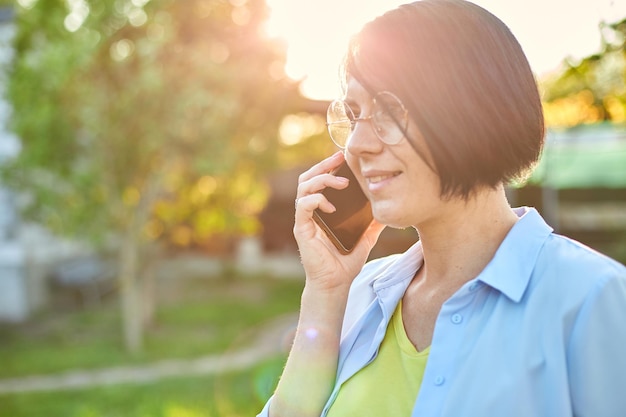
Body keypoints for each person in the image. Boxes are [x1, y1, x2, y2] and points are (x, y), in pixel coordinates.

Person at [257, 1, 626, 416]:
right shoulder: (361, 295)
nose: (358, 144)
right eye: (355, 114)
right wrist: (325, 291)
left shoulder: (592, 299)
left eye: (390, 111)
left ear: (472, 113)